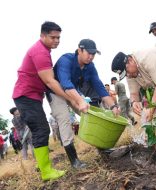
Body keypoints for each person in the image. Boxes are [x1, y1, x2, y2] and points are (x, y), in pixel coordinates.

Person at [12, 21, 85, 180]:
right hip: (26, 95)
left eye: (58, 37)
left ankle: (42, 166)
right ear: (42, 36)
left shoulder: (44, 50)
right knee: (42, 129)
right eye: (53, 37)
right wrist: (71, 99)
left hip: (31, 96)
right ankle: (46, 171)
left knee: (40, 129)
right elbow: (50, 82)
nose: (57, 41)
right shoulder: (40, 52)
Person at [47, 38, 120, 168]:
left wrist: (113, 105)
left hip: (72, 91)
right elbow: (65, 83)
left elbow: (99, 86)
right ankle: (74, 160)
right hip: (56, 92)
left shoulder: (90, 66)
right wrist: (79, 100)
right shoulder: (66, 60)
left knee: (92, 113)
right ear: (79, 50)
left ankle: (102, 148)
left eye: (94, 54)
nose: (91, 57)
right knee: (64, 119)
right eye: (89, 53)